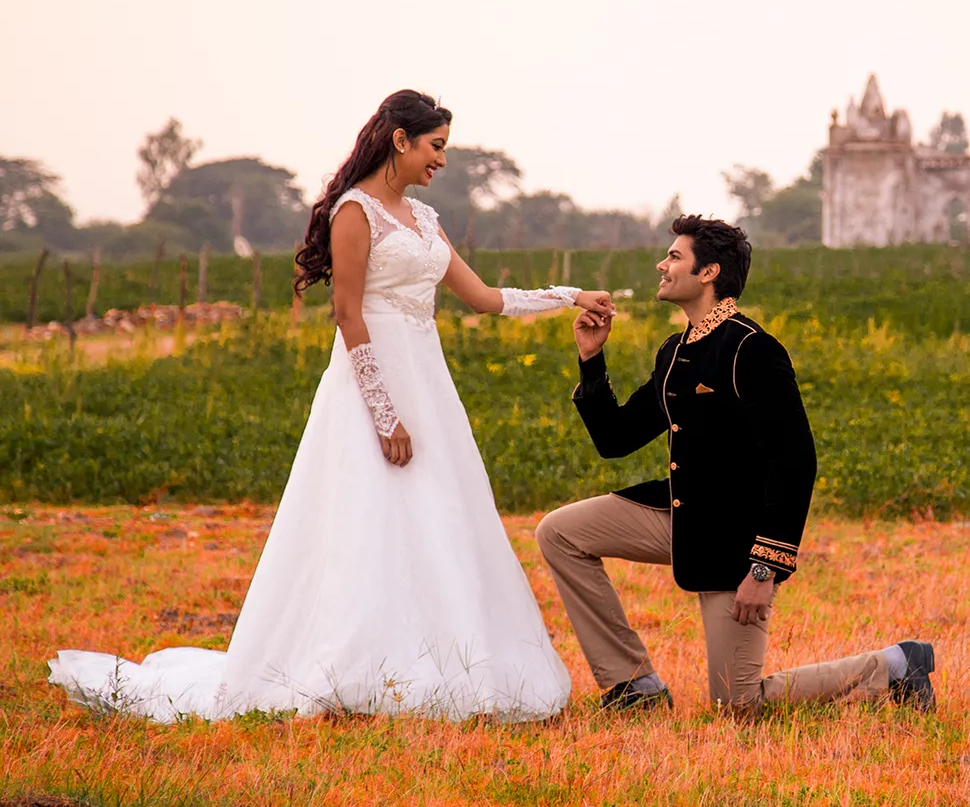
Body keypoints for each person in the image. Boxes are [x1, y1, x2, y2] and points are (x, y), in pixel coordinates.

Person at [50, 89, 613, 722]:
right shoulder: (355, 211)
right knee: (367, 519)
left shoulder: (425, 221)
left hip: (429, 386)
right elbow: (348, 314)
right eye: (436, 147)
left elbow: (483, 297)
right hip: (371, 389)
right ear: (400, 140)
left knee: (441, 517)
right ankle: (349, 667)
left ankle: (446, 661)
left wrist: (569, 297)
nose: (442, 161)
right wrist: (382, 412)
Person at [536, 215, 936, 715]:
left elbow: (795, 463)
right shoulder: (675, 351)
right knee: (560, 533)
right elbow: (616, 439)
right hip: (679, 516)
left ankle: (895, 666)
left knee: (737, 706)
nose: (662, 265)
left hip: (736, 541)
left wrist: (764, 566)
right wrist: (591, 360)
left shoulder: (753, 349)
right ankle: (631, 685)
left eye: (675, 257)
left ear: (709, 272)